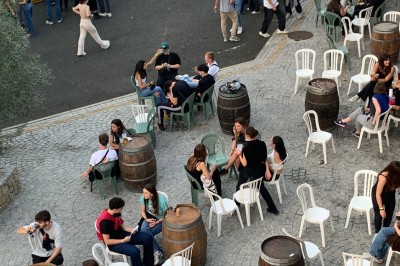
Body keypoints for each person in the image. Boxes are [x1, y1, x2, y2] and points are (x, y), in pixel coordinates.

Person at [96, 197, 154, 266]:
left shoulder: (114, 213)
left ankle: (148, 262)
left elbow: (123, 226)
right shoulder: (105, 222)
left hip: (123, 235)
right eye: (120, 209)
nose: (121, 210)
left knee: (148, 237)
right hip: (114, 243)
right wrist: (123, 240)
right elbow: (107, 241)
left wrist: (132, 230)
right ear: (115, 209)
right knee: (135, 252)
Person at [236, 126, 279, 215]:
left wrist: (239, 154)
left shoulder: (245, 147)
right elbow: (264, 157)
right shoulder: (262, 143)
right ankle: (273, 208)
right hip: (259, 170)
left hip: (247, 171)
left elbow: (244, 163)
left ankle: (236, 205)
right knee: (261, 188)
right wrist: (267, 169)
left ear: (246, 135)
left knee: (239, 186)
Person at [139, 184, 169, 264]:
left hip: (160, 220)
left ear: (151, 194)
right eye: (143, 192)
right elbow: (142, 211)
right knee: (144, 231)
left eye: (146, 193)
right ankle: (158, 252)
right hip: (149, 217)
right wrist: (146, 219)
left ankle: (156, 252)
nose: (143, 195)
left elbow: (167, 215)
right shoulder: (143, 198)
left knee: (145, 235)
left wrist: (156, 222)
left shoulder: (161, 201)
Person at [370, 161, 400, 234]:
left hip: (390, 194)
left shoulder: (398, 176)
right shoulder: (383, 177)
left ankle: (384, 232)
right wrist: (381, 209)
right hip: (379, 194)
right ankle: (377, 233)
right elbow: (378, 194)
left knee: (389, 215)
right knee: (379, 216)